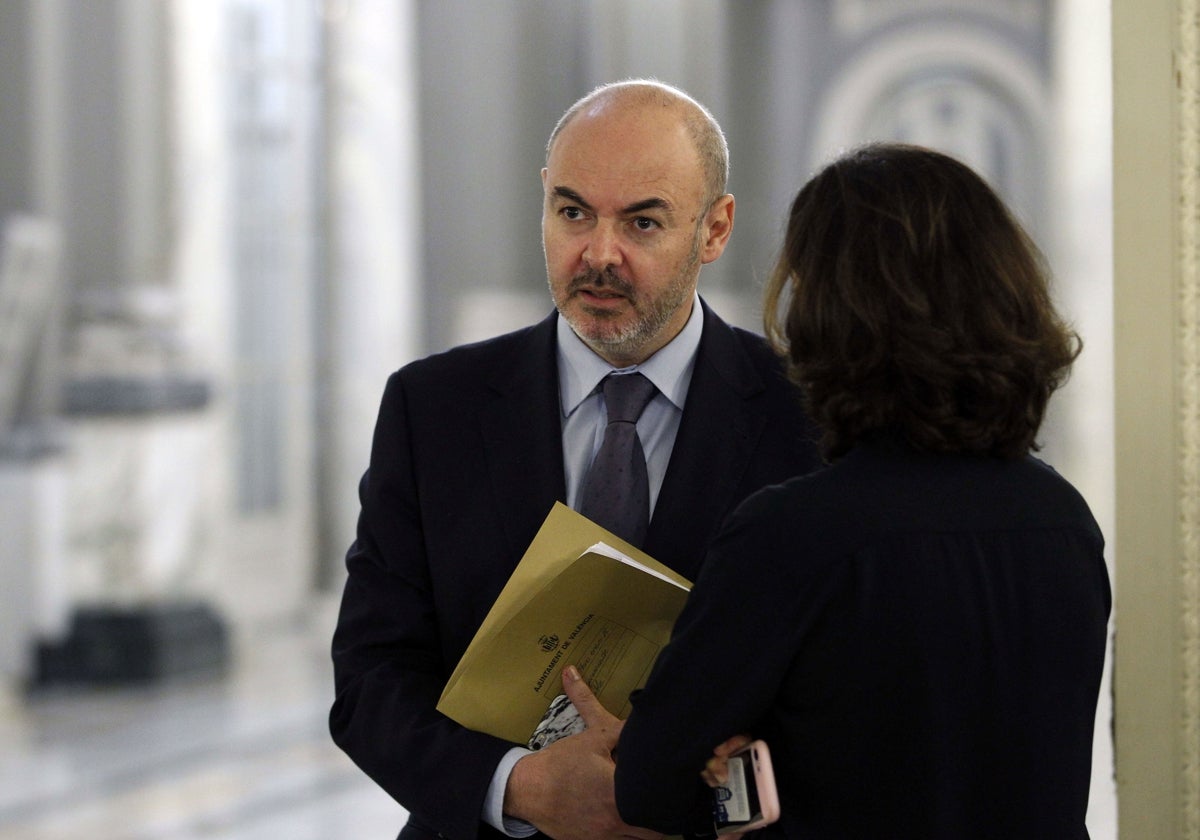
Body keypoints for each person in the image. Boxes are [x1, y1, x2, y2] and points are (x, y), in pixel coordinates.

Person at [328, 79, 822, 840]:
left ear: (715, 229)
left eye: (643, 222)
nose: (598, 254)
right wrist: (518, 787)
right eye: (572, 212)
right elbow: (370, 680)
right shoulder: (434, 409)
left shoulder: (810, 419)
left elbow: (854, 691)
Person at [610, 143, 1112, 839]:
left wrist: (735, 769)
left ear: (835, 313)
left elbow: (649, 787)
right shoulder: (1063, 521)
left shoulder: (795, 534)